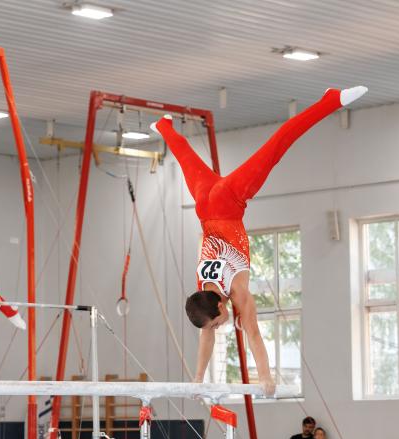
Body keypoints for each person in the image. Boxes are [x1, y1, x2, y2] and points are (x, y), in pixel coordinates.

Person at [151, 86, 368, 393]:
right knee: (186, 159)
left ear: (220, 305)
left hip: (228, 201)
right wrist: (197, 380)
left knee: (277, 145)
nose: (219, 327)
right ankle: (164, 127)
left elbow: (252, 333)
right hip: (204, 205)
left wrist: (264, 376)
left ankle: (330, 99)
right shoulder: (203, 290)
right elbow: (206, 333)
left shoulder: (236, 290)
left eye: (217, 322)